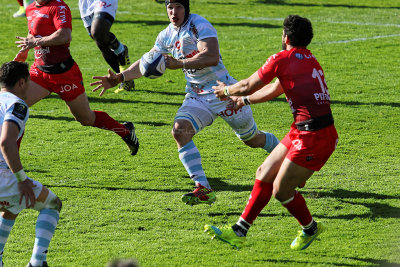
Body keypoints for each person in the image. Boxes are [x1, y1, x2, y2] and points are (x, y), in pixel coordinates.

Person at [91, 0, 280, 205]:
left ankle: (286, 155)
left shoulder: (198, 25)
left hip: (224, 92)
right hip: (197, 95)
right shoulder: (166, 35)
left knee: (253, 140)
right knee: (179, 130)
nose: (174, 12)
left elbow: (212, 56)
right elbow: (147, 61)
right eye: (170, 7)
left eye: (178, 6)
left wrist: (179, 63)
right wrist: (120, 78)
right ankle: (203, 188)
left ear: (186, 8)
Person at [204, 15, 339, 250]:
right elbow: (275, 89)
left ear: (285, 37)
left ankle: (311, 228)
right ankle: (239, 231)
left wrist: (226, 90)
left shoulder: (282, 58)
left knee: (281, 190)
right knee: (264, 171)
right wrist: (243, 100)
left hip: (314, 136)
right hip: (303, 130)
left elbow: (249, 83)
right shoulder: (310, 60)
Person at [13, 0, 139, 156]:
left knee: (86, 119)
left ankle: (125, 131)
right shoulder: (31, 8)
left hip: (64, 74)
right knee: (14, 108)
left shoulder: (59, 7)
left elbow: (65, 35)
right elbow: (33, 32)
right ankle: (8, 163)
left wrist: (36, 41)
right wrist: (25, 50)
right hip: (40, 72)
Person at [0, 61, 62, 267]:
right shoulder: (17, 104)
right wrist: (22, 179)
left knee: (12, 207)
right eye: (29, 81)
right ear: (20, 82)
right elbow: (6, 142)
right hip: (4, 177)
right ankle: (37, 262)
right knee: (52, 203)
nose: (30, 86)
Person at [79, 0, 135, 93]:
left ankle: (121, 50)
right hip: (85, 3)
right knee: (102, 44)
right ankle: (125, 79)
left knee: (98, 33)